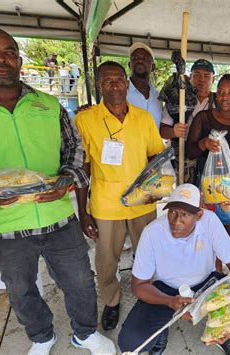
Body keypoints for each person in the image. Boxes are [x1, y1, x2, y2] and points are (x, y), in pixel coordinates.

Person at [0, 28, 115, 354]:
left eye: (9, 51)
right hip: (5, 222)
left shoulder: (47, 104)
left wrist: (63, 181)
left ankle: (85, 333)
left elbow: (74, 151)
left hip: (57, 215)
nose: (1, 58)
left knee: (80, 280)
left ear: (19, 60)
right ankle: (42, 337)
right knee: (20, 288)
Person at [74, 61, 165, 331]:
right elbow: (83, 168)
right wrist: (83, 212)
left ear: (126, 83)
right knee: (106, 260)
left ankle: (150, 297)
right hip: (106, 204)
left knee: (149, 253)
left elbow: (156, 156)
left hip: (142, 202)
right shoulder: (85, 119)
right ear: (99, 85)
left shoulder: (143, 118)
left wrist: (158, 188)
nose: (114, 85)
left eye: (118, 79)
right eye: (107, 80)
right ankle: (112, 301)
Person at [118, 183, 230, 354]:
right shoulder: (152, 232)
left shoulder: (210, 221)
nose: (175, 221)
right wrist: (169, 301)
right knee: (129, 343)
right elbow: (138, 285)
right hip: (167, 290)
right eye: (172, 211)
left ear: (198, 214)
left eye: (184, 214)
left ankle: (223, 336)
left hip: (207, 283)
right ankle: (159, 337)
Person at [186, 73, 230, 269]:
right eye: (220, 92)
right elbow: (189, 151)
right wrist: (203, 143)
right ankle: (216, 282)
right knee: (209, 241)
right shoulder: (203, 118)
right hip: (207, 189)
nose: (224, 97)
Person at [160, 58, 216, 141]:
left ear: (213, 79)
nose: (201, 79)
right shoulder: (177, 99)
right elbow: (162, 131)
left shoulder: (219, 102)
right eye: (197, 75)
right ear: (190, 77)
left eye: (206, 76)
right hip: (180, 151)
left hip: (207, 152)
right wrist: (173, 132)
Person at [127, 42, 163, 129]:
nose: (140, 60)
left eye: (145, 59)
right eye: (135, 58)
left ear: (153, 67)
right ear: (129, 65)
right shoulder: (118, 92)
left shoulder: (158, 96)